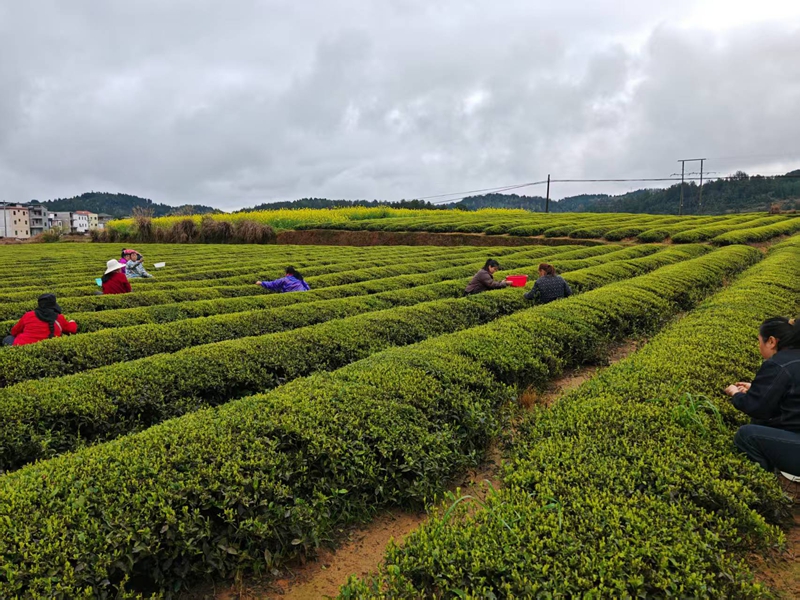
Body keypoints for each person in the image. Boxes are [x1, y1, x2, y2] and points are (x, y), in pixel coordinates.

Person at [725, 317, 800, 495]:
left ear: (772, 341)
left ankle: (765, 491)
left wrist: (735, 394)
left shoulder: (778, 364)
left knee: (746, 435)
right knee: (760, 423)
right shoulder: (794, 359)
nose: (758, 347)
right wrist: (757, 389)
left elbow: (756, 406)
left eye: (759, 341)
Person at [3, 293, 77, 346]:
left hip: (22, 345)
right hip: (48, 347)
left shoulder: (28, 315)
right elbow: (72, 329)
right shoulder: (59, 317)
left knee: (8, 338)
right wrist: (72, 322)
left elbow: (14, 331)